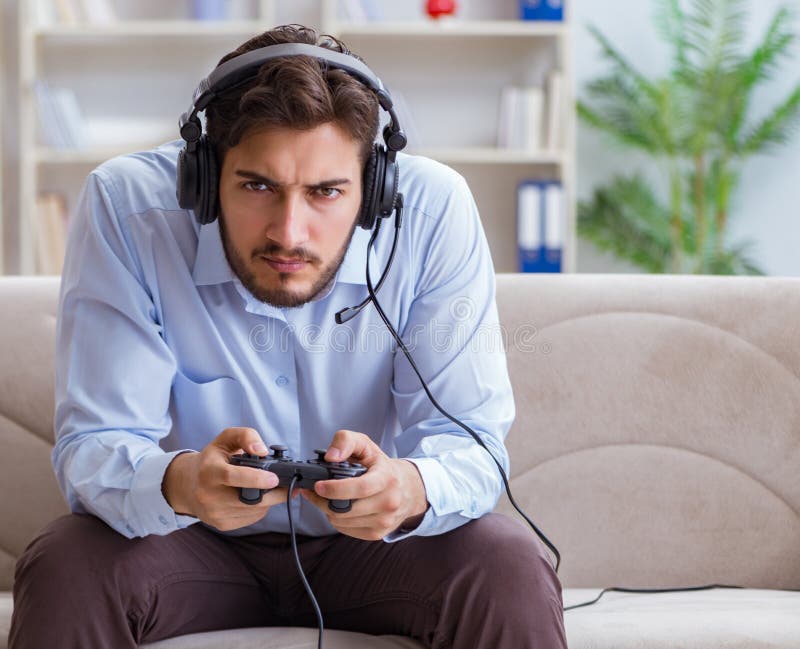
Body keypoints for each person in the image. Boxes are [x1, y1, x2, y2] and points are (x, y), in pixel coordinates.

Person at [9, 24, 566, 649]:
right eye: (257, 186)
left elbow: (472, 441)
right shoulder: (128, 209)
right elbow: (95, 444)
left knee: (507, 561)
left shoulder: (433, 213)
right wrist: (182, 481)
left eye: (326, 192)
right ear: (204, 177)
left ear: (375, 187)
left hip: (376, 550)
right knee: (67, 562)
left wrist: (407, 487)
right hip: (188, 541)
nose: (289, 233)